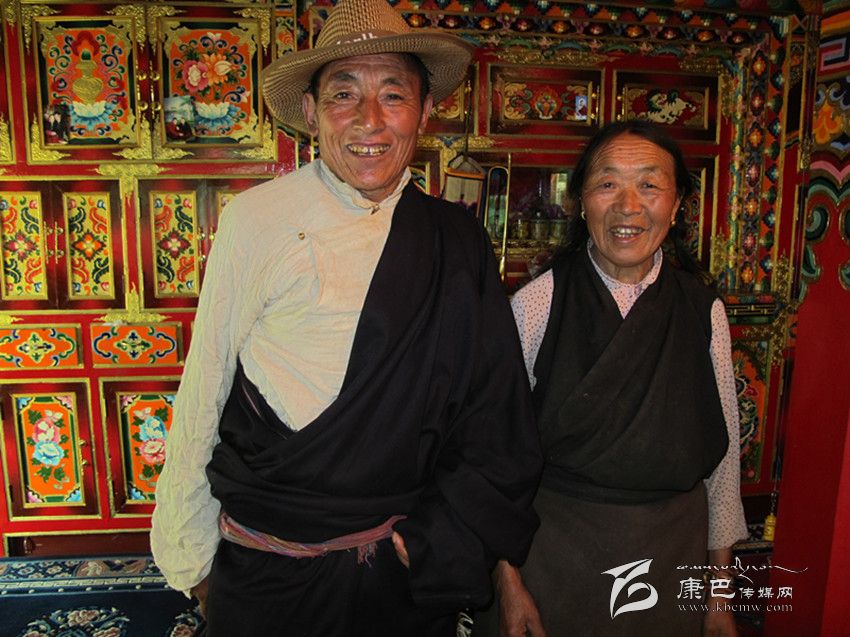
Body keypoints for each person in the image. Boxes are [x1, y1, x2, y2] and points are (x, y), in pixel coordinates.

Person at [149, 0, 543, 634]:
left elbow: (493, 412)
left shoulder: (453, 239)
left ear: (425, 111)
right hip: (268, 564)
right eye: (343, 94)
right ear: (310, 111)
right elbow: (205, 386)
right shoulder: (256, 220)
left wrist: (450, 538)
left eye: (394, 95)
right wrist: (188, 554)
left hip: (398, 569)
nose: (370, 120)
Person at [487, 120, 748, 637]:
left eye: (649, 184)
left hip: (671, 556)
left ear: (676, 205)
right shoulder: (538, 303)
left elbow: (723, 466)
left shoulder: (702, 310)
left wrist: (720, 595)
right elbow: (494, 454)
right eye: (607, 183)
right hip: (557, 558)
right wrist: (508, 581)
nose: (628, 205)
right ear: (581, 203)